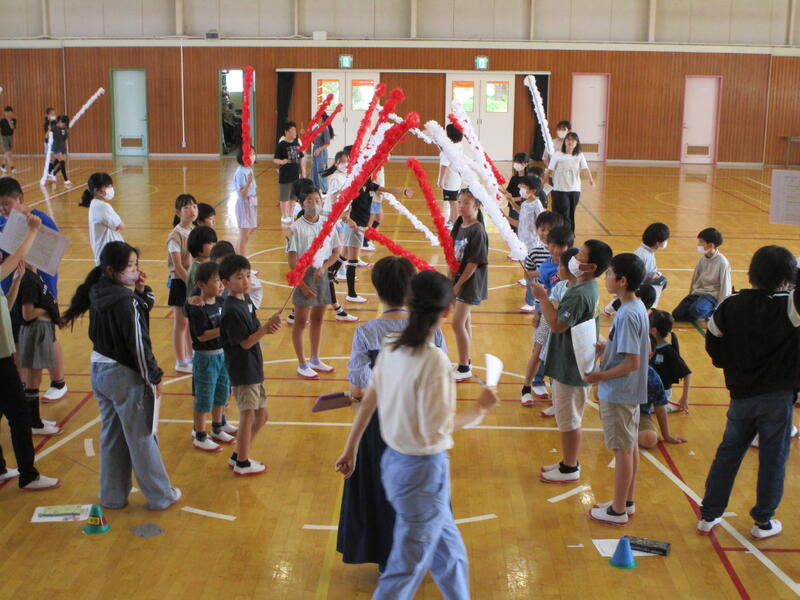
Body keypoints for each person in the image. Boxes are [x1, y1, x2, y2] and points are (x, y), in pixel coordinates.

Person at [335, 269, 500, 600]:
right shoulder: (435, 359)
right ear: (447, 311)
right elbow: (434, 430)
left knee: (450, 553)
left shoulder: (391, 347)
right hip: (422, 470)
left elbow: (368, 401)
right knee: (405, 568)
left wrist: (350, 448)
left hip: (394, 463)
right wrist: (480, 408)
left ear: (409, 302)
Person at [337, 256, 447, 571]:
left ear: (377, 290)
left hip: (380, 427)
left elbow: (359, 387)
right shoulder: (430, 331)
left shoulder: (367, 332)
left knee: (383, 492)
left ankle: (390, 559)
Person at [61, 241, 180, 510]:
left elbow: (139, 309)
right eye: (130, 266)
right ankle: (161, 496)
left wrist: (142, 291)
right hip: (123, 376)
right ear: (112, 270)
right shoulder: (126, 301)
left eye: (136, 265)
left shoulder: (99, 290)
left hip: (99, 371)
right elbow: (138, 345)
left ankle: (112, 497)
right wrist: (154, 376)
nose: (135, 270)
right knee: (142, 437)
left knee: (112, 436)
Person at [696, 245, 799, 539]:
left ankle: (709, 515)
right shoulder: (789, 305)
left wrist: (734, 366)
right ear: (787, 277)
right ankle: (763, 521)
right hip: (777, 398)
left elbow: (714, 344)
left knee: (728, 453)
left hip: (740, 394)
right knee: (773, 459)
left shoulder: (730, 304)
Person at [532, 239, 612, 482]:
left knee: (569, 421)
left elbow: (557, 325)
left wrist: (542, 298)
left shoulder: (581, 294)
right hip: (569, 361)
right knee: (566, 418)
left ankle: (570, 468)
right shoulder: (584, 287)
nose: (575, 258)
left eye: (581, 255)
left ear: (591, 267)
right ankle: (567, 462)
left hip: (572, 366)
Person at [584, 253, 649, 525]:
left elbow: (633, 362)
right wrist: (607, 348)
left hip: (620, 391)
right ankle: (627, 501)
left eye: (610, 274)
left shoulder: (627, 315)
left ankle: (618, 510)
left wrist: (599, 376)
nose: (606, 278)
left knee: (622, 450)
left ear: (622, 281)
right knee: (629, 445)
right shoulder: (637, 307)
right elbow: (634, 350)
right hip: (629, 391)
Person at [0, 211, 60, 491]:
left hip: (3, 354)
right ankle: (28, 475)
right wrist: (33, 231)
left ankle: (1, 469)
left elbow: (8, 304)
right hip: (1, 360)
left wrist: (15, 281)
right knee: (19, 415)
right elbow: (14, 258)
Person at [0, 177, 68, 402]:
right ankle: (21, 384)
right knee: (17, 338)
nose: (2, 209)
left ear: (20, 198)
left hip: (39, 288)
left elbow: (55, 250)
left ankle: (59, 382)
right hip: (12, 288)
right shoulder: (2, 222)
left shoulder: (38, 219)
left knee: (46, 336)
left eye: (6, 204)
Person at [219, 254, 282, 476]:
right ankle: (243, 463)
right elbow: (245, 343)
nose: (246, 281)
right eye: (239, 277)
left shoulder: (245, 300)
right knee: (248, 415)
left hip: (253, 366)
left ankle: (238, 454)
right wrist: (264, 330)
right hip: (242, 369)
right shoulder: (231, 310)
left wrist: (269, 326)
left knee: (262, 416)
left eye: (247, 275)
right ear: (226, 283)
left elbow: (254, 330)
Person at [286, 182, 341, 379]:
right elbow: (292, 259)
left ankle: (315, 359)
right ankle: (302, 363)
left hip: (321, 274)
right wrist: (301, 284)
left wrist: (325, 268)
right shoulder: (296, 228)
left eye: (317, 200)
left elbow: (337, 250)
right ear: (302, 204)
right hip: (303, 275)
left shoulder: (328, 224)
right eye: (309, 201)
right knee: (301, 321)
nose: (314, 204)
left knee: (318, 319)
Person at [341, 170, 412, 304]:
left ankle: (330, 274)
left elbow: (386, 189)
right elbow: (342, 210)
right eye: (368, 172)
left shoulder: (369, 186)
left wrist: (403, 191)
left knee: (343, 255)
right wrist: (349, 220)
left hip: (360, 227)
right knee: (352, 261)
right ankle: (351, 294)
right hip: (355, 228)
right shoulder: (354, 188)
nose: (370, 175)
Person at [522, 223, 573, 406]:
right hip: (548, 315)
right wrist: (538, 313)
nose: (556, 250)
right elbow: (542, 294)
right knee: (538, 351)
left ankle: (556, 396)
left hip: (567, 318)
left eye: (561, 246)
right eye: (552, 245)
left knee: (559, 356)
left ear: (569, 247)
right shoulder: (545, 267)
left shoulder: (574, 265)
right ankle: (526, 388)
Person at [185, 261, 231, 453]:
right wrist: (225, 329)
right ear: (201, 285)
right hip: (206, 359)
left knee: (222, 394)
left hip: (222, 355)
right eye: (216, 281)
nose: (220, 285)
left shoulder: (221, 302)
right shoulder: (198, 308)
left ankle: (217, 427)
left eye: (221, 281)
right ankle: (200, 435)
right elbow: (202, 336)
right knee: (204, 398)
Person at [17, 264, 63, 436]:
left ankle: (34, 420)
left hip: (40, 330)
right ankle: (34, 423)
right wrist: (47, 307)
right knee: (33, 379)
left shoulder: (36, 275)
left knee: (35, 378)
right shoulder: (29, 280)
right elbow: (27, 314)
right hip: (35, 331)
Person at [451, 189, 489, 382]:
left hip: (469, 281)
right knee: (465, 321)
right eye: (459, 201)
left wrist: (458, 285)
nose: (461, 205)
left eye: (466, 202)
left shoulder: (478, 230)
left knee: (457, 323)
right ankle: (466, 360)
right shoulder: (459, 224)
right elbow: (452, 253)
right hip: (458, 279)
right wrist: (450, 278)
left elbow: (474, 263)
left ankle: (464, 367)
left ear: (477, 205)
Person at [605, 222, 670, 314]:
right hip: (635, 286)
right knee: (659, 282)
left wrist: (656, 274)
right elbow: (635, 275)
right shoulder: (642, 254)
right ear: (657, 242)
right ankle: (647, 309)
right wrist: (652, 277)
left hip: (639, 283)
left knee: (662, 280)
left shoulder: (649, 252)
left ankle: (614, 306)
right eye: (665, 240)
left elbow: (652, 270)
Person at [672, 227, 732, 322]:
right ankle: (698, 310)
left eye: (701, 242)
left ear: (711, 245)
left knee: (696, 310)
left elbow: (725, 286)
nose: (698, 245)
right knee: (677, 314)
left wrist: (721, 309)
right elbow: (695, 279)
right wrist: (690, 294)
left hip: (711, 296)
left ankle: (712, 312)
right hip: (698, 293)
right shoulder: (702, 259)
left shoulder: (722, 262)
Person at [167, 194, 197, 374]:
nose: (191, 210)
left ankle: (192, 356)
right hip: (180, 283)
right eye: (186, 207)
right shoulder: (175, 236)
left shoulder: (194, 231)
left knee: (190, 322)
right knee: (181, 323)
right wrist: (192, 284)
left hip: (192, 281)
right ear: (178, 212)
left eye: (194, 206)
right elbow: (178, 266)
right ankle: (181, 361)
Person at [639, 336, 687, 450]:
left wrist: (667, 436)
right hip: (619, 412)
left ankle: (624, 436)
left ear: (650, 355)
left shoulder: (652, 378)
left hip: (640, 415)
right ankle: (621, 434)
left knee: (650, 438)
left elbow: (660, 408)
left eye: (642, 352)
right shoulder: (620, 370)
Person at [545, 132, 594, 232]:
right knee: (564, 213)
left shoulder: (579, 155)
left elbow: (585, 168)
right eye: (568, 139)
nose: (570, 142)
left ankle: (570, 234)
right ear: (565, 142)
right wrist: (542, 183)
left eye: (573, 140)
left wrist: (591, 179)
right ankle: (563, 234)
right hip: (560, 189)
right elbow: (550, 170)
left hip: (575, 189)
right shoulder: (557, 154)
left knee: (571, 213)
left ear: (577, 143)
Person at [519, 210, 564, 314]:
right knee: (542, 323)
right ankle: (530, 303)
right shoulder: (534, 253)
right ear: (537, 230)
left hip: (560, 300)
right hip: (541, 300)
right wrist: (542, 273)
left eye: (550, 229)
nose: (546, 233)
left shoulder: (564, 251)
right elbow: (527, 274)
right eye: (542, 229)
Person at [649, 309, 692, 413]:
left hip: (661, 392)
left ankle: (671, 406)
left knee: (642, 409)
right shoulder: (649, 344)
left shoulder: (668, 351)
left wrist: (684, 398)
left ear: (654, 330)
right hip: (649, 388)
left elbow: (687, 373)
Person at [81, 172, 124, 265]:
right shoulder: (102, 207)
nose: (111, 189)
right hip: (109, 256)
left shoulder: (95, 204)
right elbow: (120, 225)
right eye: (108, 187)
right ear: (97, 190)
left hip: (108, 255)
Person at [274, 121, 305, 225]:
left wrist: (303, 173)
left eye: (295, 130)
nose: (294, 132)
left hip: (295, 176)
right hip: (285, 176)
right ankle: (284, 215)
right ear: (286, 132)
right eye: (292, 130)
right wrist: (282, 161)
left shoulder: (296, 143)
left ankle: (291, 214)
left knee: (293, 197)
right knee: (284, 198)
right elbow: (275, 159)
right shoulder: (281, 145)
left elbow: (301, 158)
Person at [437, 123, 464, 228]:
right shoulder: (458, 145)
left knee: (453, 202)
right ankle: (451, 220)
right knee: (453, 201)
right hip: (456, 178)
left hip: (450, 180)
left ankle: (454, 221)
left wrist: (441, 180)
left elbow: (444, 165)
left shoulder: (449, 150)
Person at [233, 145, 257, 255]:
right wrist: (248, 182)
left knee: (248, 231)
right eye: (250, 154)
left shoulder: (249, 169)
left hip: (251, 202)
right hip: (244, 204)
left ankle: (236, 254)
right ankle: (240, 259)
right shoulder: (241, 172)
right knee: (244, 235)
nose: (253, 156)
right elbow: (242, 194)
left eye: (253, 154)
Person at [186, 225, 217, 295]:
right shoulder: (196, 269)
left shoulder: (208, 265)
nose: (214, 246)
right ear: (198, 245)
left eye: (214, 243)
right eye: (210, 243)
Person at [503, 152, 529, 234]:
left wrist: (514, 199)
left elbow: (527, 196)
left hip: (521, 206)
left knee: (520, 227)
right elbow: (508, 191)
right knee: (513, 228)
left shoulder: (528, 179)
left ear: (526, 164)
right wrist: (504, 192)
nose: (517, 164)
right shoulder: (514, 178)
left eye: (519, 162)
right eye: (516, 162)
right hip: (512, 206)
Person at [311, 112, 333, 192]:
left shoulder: (325, 129)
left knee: (321, 170)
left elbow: (327, 143)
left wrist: (319, 149)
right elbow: (312, 138)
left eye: (318, 117)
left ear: (322, 118)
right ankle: (316, 189)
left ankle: (325, 190)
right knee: (314, 170)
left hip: (322, 152)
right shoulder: (316, 128)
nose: (316, 118)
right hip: (315, 150)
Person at [50, 115, 71, 186]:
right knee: (62, 161)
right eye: (63, 123)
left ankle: (53, 172)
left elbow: (65, 138)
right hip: (56, 147)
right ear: (59, 121)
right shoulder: (54, 128)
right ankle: (66, 180)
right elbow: (48, 137)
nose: (63, 125)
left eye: (65, 124)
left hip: (62, 147)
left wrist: (66, 132)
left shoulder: (64, 129)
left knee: (62, 162)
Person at [0, 106, 16, 174]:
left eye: (8, 112)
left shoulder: (13, 120)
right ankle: (12, 167)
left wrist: (9, 121)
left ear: (11, 112)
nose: (7, 113)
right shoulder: (2, 121)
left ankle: (2, 166)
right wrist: (1, 139)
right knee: (8, 152)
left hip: (10, 137)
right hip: (4, 137)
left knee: (7, 152)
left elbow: (12, 128)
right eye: (5, 112)